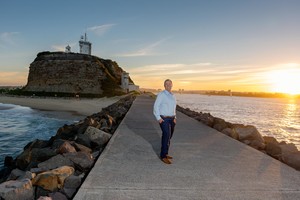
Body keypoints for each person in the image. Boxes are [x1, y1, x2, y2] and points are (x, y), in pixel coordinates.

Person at [153, 79, 177, 164]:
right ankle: (163, 156)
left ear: (172, 85)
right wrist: (158, 118)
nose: (168, 85)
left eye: (170, 84)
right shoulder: (161, 95)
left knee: (169, 136)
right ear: (164, 85)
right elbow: (156, 107)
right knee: (166, 135)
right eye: (166, 84)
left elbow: (174, 108)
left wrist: (175, 117)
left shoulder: (173, 95)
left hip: (172, 119)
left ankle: (166, 153)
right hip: (164, 119)